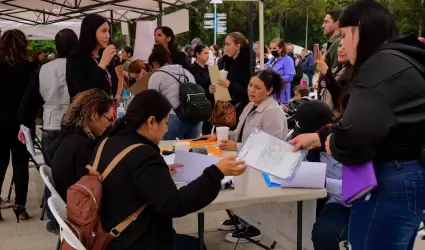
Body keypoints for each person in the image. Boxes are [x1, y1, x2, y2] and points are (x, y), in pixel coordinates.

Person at [292, 1, 425, 249]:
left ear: (361, 31)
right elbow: (378, 120)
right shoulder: (400, 59)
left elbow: (355, 134)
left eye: (344, 35)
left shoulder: (378, 64)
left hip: (391, 180)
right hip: (410, 177)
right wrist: (319, 137)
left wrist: (333, 142)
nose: (340, 44)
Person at [93, 89, 247, 250]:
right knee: (198, 246)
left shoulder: (107, 142)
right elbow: (175, 204)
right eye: (165, 122)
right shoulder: (143, 155)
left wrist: (158, 173)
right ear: (151, 122)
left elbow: (126, 178)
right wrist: (217, 172)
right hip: (135, 240)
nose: (166, 129)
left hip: (109, 232)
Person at [201, 70, 287, 243]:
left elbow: (272, 147)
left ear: (269, 91)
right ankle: (240, 219)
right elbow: (239, 133)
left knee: (241, 188)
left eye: (257, 87)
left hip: (263, 166)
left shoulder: (272, 111)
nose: (251, 90)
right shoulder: (250, 105)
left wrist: (237, 146)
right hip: (245, 159)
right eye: (250, 85)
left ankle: (254, 228)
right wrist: (221, 136)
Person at [17, 28, 79, 233]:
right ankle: (78, 216)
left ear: (55, 47)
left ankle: (54, 219)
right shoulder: (81, 66)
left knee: (52, 174)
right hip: (76, 124)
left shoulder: (43, 69)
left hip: (51, 123)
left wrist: (27, 125)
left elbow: (29, 101)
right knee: (78, 172)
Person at [48, 89, 114, 201]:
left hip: (67, 199)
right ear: (94, 115)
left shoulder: (69, 133)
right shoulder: (83, 146)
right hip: (78, 206)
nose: (108, 124)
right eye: (109, 119)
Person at [0, 29, 36, 222]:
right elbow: (34, 98)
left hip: (0, 121)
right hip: (22, 122)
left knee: (0, 163)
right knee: (21, 164)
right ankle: (20, 207)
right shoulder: (30, 68)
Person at [147, 45, 202, 140]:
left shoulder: (157, 75)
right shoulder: (186, 72)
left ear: (155, 64)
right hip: (196, 117)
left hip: (174, 118)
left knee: (172, 153)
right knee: (192, 152)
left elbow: (152, 102)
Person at [66, 13, 124, 102]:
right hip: (87, 113)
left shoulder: (103, 55)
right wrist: (102, 64)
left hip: (106, 111)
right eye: (104, 31)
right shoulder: (76, 58)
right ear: (91, 32)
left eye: (108, 31)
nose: (108, 36)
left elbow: (113, 81)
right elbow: (83, 92)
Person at [213, 32, 253, 122]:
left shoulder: (247, 63)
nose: (225, 48)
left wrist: (229, 85)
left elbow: (246, 89)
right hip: (227, 106)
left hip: (241, 108)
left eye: (228, 44)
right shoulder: (225, 62)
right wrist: (214, 88)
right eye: (225, 44)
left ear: (237, 46)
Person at [189, 44, 214, 135]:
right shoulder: (192, 69)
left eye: (209, 53)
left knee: (208, 129)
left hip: (209, 104)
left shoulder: (208, 68)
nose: (208, 55)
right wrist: (208, 89)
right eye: (205, 53)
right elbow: (193, 87)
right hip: (198, 104)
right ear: (198, 54)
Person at [265, 38, 295, 103]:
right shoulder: (271, 59)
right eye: (271, 48)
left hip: (281, 94)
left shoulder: (287, 59)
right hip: (270, 93)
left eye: (274, 48)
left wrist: (275, 79)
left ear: (281, 48)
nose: (272, 50)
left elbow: (290, 77)